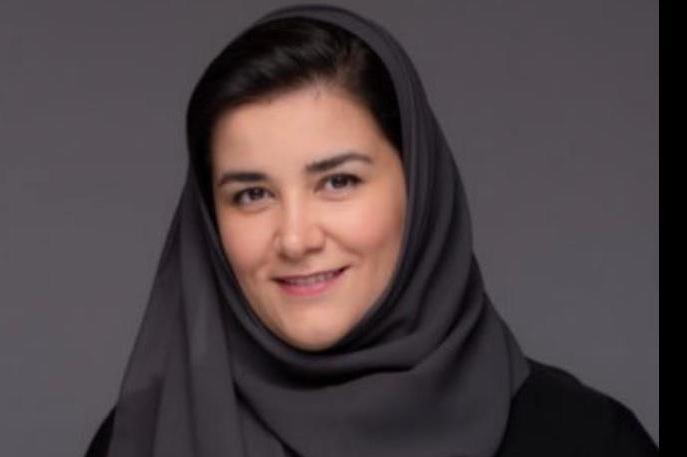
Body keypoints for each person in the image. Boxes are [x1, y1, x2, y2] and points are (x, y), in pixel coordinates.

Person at [85, 4, 658, 456]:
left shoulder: (587, 441)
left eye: (337, 182)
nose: (295, 238)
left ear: (420, 187)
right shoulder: (144, 440)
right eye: (252, 195)